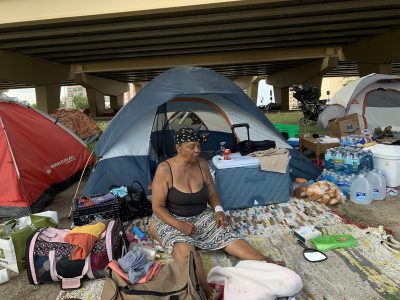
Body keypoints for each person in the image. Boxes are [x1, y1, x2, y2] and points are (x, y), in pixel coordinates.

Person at [149, 127, 285, 300]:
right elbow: (158, 208)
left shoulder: (202, 164)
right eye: (192, 146)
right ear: (178, 148)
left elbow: (212, 193)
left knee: (226, 234)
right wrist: (179, 225)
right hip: (172, 218)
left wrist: (219, 210)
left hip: (200, 214)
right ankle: (205, 288)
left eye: (198, 145)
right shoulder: (164, 169)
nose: (197, 150)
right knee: (186, 251)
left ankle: (265, 261)